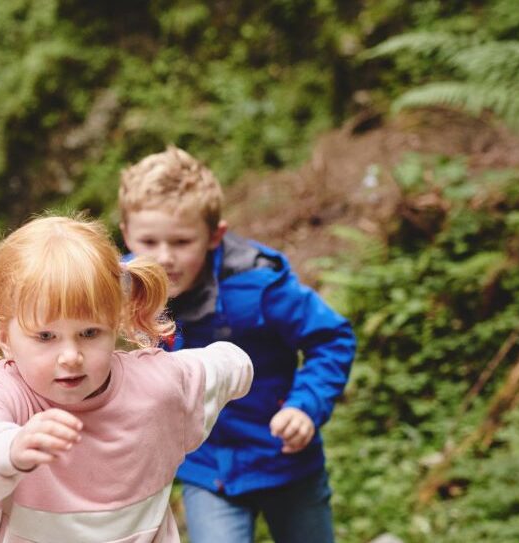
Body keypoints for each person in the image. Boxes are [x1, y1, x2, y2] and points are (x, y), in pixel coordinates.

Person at [0, 215, 254, 542]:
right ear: (3, 335)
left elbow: (230, 364)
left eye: (89, 332)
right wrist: (10, 448)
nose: (70, 355)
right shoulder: (3, 394)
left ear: (116, 323)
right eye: (46, 336)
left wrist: (239, 367)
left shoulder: (157, 383)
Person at [117, 147, 357, 543]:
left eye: (181, 241)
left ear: (215, 235)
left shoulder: (257, 285)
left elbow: (331, 338)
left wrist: (305, 405)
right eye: (148, 241)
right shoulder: (122, 291)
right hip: (209, 470)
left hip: (285, 457)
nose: (163, 258)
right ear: (126, 233)